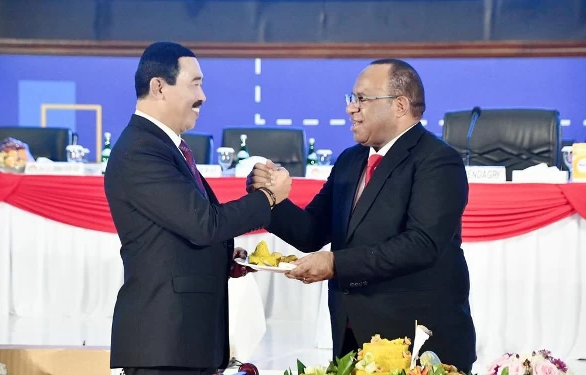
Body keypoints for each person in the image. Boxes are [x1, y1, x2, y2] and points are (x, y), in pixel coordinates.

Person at [247, 59, 476, 373]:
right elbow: (311, 231)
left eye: (362, 99)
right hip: (352, 336)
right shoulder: (351, 159)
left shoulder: (437, 160)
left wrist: (336, 264)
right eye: (351, 99)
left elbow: (421, 244)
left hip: (417, 341)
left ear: (399, 105)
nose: (351, 109)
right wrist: (268, 200)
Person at [104, 41, 291, 375]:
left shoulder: (164, 146)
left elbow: (186, 232)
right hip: (164, 343)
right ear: (159, 87)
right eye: (195, 83)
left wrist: (224, 257)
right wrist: (268, 198)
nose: (203, 96)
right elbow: (203, 224)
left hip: (184, 341)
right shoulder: (142, 151)